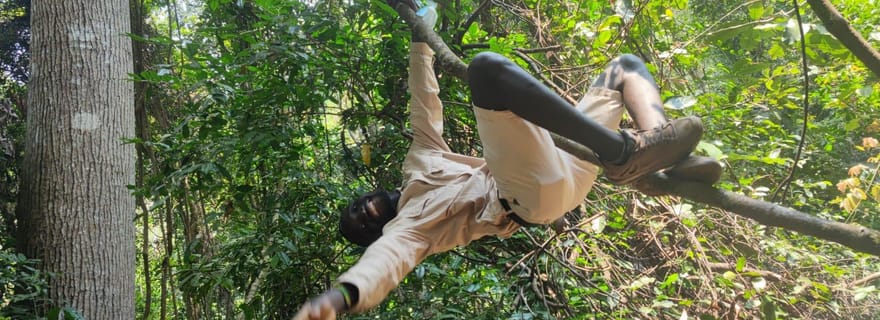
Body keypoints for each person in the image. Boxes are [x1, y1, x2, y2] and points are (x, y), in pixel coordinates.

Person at [294, 3, 721, 319]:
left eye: (355, 210)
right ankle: (627, 154)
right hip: (529, 195)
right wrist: (341, 297)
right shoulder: (408, 230)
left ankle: (657, 164)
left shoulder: (420, 161)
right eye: (365, 226)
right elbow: (384, 263)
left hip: (567, 162)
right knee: (487, 71)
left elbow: (423, 103)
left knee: (623, 68)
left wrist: (421, 36)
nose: (365, 214)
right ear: (379, 231)